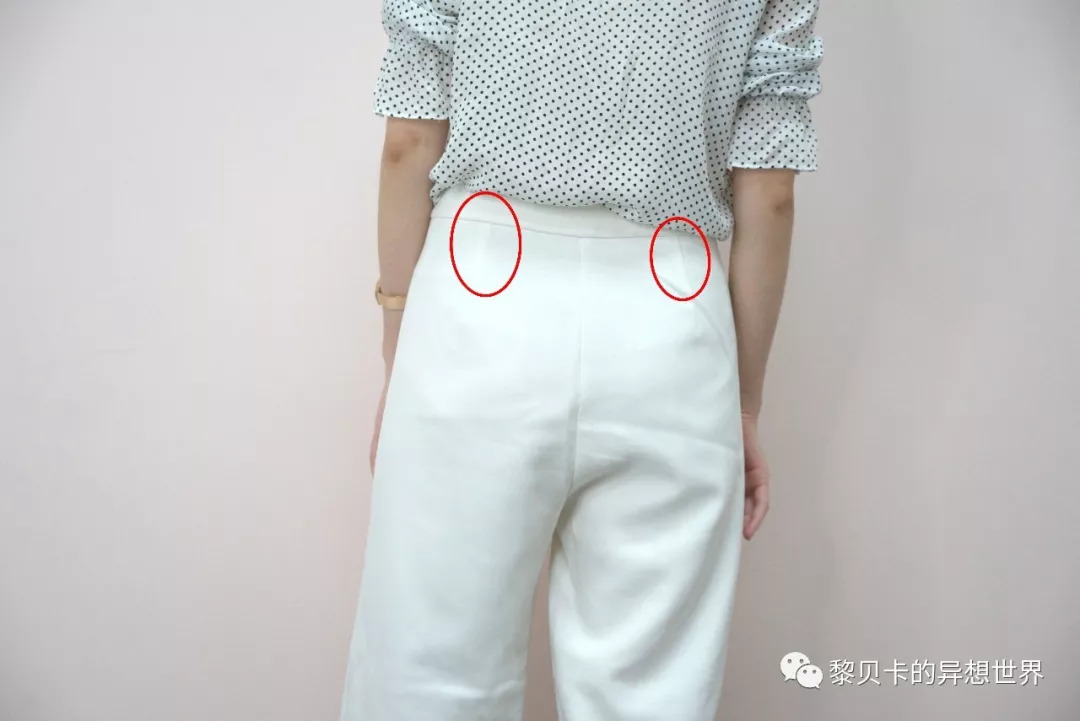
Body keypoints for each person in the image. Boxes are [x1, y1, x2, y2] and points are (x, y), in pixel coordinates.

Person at [341, 0, 823, 719]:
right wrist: (744, 404)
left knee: (428, 674)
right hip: (671, 312)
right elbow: (771, 193)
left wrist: (398, 348)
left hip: (478, 295)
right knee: (651, 691)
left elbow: (409, 142)